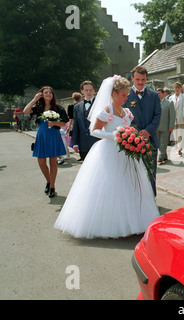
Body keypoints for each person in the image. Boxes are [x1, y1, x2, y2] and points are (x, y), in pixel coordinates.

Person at [54, 76, 160, 239]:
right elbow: (95, 130)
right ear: (114, 93)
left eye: (126, 95)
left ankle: (134, 220)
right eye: (123, 95)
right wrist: (116, 136)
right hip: (109, 151)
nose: (126, 98)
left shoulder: (126, 111)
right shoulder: (107, 110)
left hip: (126, 152)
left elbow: (129, 128)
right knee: (110, 186)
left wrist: (132, 136)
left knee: (129, 185)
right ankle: (111, 223)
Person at [23, 86, 69, 198]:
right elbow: (25, 111)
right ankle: (48, 181)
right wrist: (34, 99)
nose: (48, 94)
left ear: (52, 95)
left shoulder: (58, 108)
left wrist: (54, 123)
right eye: (45, 92)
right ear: (42, 94)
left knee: (53, 162)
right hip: (41, 136)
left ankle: (52, 186)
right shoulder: (38, 107)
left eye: (50, 92)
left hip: (53, 136)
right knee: (41, 162)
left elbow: (64, 123)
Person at [125, 66, 161, 196]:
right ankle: (135, 198)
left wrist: (148, 131)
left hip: (150, 139)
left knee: (150, 171)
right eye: (138, 79)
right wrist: (135, 133)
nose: (140, 82)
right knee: (133, 172)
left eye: (143, 79)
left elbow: (157, 116)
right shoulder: (125, 94)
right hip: (130, 141)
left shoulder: (154, 95)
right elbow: (123, 116)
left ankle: (151, 197)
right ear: (132, 78)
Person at [72, 81, 99, 161]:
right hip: (83, 144)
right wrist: (75, 143)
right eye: (86, 90)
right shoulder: (77, 107)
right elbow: (76, 125)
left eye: (90, 90)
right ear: (82, 91)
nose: (89, 92)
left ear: (94, 90)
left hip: (96, 142)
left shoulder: (99, 104)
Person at [156, 88, 175, 164]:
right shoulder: (154, 103)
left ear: (163, 94)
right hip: (156, 126)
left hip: (165, 126)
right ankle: (164, 155)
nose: (158, 95)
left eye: (159, 93)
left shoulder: (169, 103)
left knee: (163, 142)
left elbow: (172, 115)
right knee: (157, 142)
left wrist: (171, 125)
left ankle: (161, 157)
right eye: (157, 93)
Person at [169, 82, 184, 156]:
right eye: (176, 87)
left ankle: (180, 149)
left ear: (180, 88)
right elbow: (170, 109)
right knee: (175, 134)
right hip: (173, 118)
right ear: (174, 89)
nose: (177, 89)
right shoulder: (170, 98)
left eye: (178, 87)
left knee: (181, 134)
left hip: (181, 117)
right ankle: (177, 148)